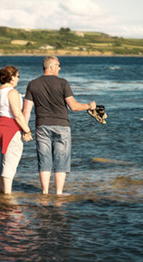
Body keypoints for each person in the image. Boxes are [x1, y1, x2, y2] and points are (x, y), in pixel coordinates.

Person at [23, 56, 96, 195]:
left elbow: (26, 111)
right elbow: (73, 106)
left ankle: (44, 192)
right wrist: (89, 106)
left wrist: (26, 130)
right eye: (58, 65)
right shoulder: (63, 83)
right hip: (62, 126)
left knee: (44, 159)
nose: (59, 68)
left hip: (42, 126)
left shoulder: (32, 84)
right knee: (61, 161)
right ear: (51, 67)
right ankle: (58, 193)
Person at [0, 65, 32, 194]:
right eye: (17, 76)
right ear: (11, 77)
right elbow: (17, 114)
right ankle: (7, 194)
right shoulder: (12, 92)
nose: (18, 79)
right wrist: (27, 130)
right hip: (10, 128)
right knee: (10, 162)